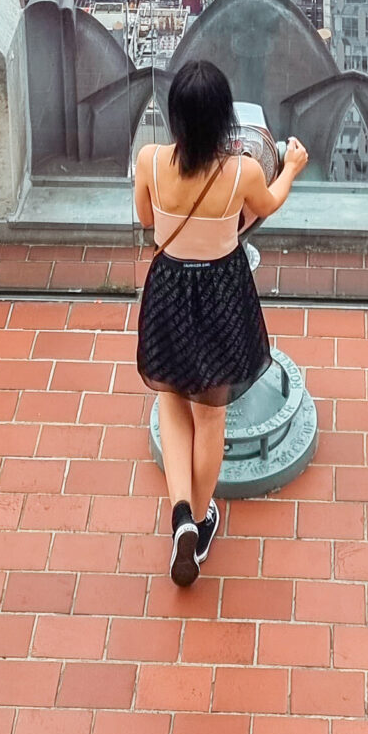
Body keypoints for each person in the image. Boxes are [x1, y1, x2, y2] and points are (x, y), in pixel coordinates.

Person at [133, 59, 308, 585]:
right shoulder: (241, 173)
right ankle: (202, 518)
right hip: (221, 292)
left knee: (170, 396)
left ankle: (182, 514)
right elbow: (269, 203)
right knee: (210, 417)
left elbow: (146, 220)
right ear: (223, 120)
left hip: (169, 289)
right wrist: (293, 165)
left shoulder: (150, 161)